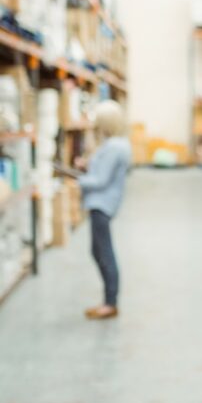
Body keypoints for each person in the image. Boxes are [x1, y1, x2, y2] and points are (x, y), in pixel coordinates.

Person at [78, 100, 131, 320]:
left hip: (102, 204)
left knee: (104, 253)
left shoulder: (114, 146)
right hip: (101, 203)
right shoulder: (115, 144)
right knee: (97, 251)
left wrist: (76, 178)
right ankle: (108, 300)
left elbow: (100, 180)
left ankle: (110, 303)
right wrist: (86, 166)